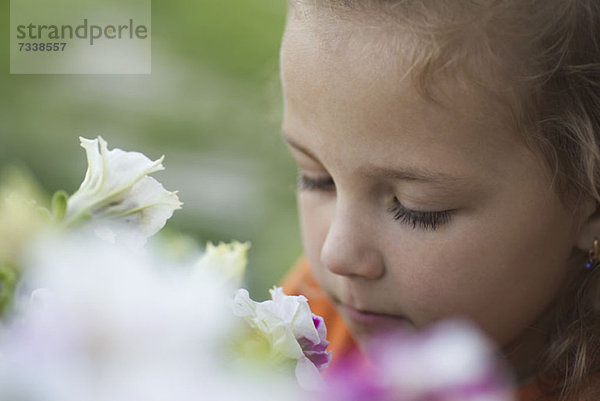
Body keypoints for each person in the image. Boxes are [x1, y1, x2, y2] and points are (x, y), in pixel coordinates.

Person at [278, 1, 600, 400]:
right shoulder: (311, 320)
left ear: (592, 202)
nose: (335, 255)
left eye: (416, 208)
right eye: (317, 180)